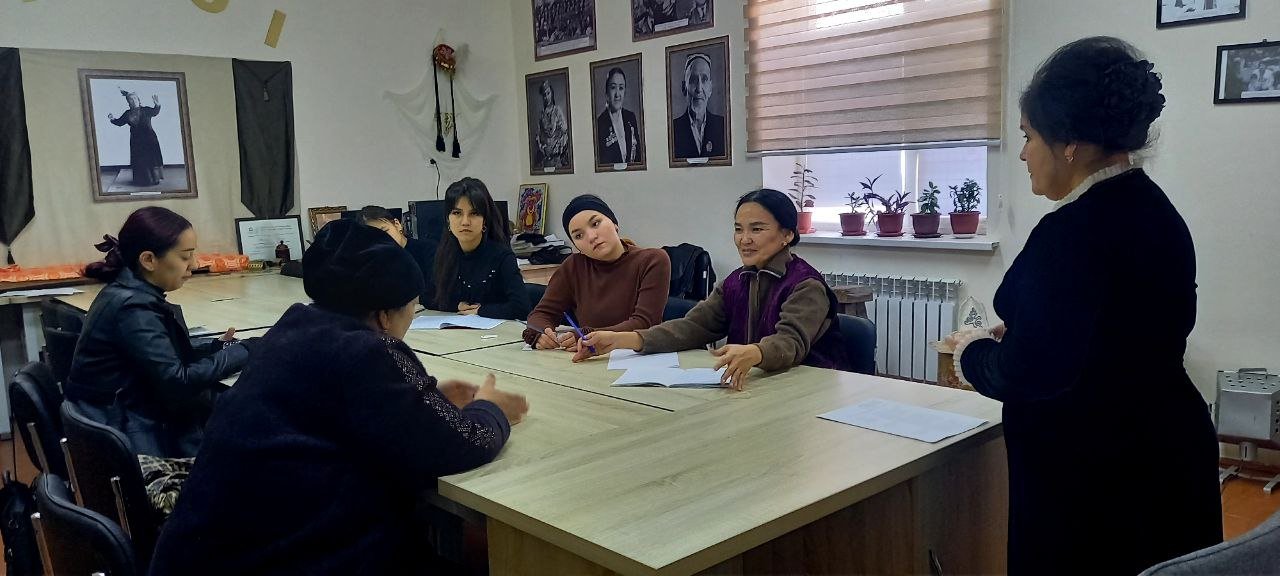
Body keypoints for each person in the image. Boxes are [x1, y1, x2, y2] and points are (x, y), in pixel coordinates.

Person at [944, 37, 1222, 574]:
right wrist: (1027, 328)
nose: (1023, 154)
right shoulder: (1156, 209)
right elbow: (1114, 328)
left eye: (1028, 136)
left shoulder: (1072, 232)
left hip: (1094, 472)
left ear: (1068, 142)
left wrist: (970, 351)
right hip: (1169, 443)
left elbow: (1030, 373)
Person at [149, 220, 529, 575]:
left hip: (211, 551)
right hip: (286, 558)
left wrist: (424, 400)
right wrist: (490, 407)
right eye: (412, 307)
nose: (412, 317)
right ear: (384, 315)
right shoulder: (366, 352)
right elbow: (462, 444)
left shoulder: (296, 326)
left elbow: (346, 410)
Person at [573, 189, 849, 389]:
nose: (744, 239)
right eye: (738, 229)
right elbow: (692, 327)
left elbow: (790, 343)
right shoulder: (737, 281)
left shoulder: (805, 285)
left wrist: (756, 352)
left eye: (757, 229)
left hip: (807, 391)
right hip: (756, 387)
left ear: (787, 234)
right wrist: (621, 340)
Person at [67, 207, 249, 458]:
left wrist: (217, 347)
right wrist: (246, 350)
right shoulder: (133, 307)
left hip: (115, 418)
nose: (195, 264)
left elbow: (161, 358)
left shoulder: (127, 292)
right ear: (149, 260)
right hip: (128, 434)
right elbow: (178, 382)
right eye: (185, 257)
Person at [523, 194, 670, 350]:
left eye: (595, 223)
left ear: (614, 223)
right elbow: (541, 314)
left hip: (635, 356)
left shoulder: (652, 260)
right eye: (579, 236)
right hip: (588, 357)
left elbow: (645, 324)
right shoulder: (574, 266)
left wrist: (587, 335)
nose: (592, 237)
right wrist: (541, 333)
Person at [430, 178, 530, 320]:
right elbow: (428, 297)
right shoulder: (443, 253)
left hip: (498, 331)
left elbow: (521, 308)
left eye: (474, 213)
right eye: (457, 213)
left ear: (485, 220)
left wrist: (480, 311)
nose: (465, 222)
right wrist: (456, 306)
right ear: (448, 219)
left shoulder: (502, 257)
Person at [360, 205, 437, 307]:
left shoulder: (429, 249)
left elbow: (436, 292)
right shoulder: (376, 262)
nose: (384, 239)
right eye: (376, 237)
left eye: (385, 231)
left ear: (397, 224)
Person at [672, 53, 726, 160]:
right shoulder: (672, 130)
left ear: (710, 88)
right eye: (693, 80)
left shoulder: (723, 126)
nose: (699, 89)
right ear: (684, 88)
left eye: (704, 79)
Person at [108, 90, 165, 186]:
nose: (133, 100)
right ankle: (142, 180)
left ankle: (155, 179)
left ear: (138, 99)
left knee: (151, 159)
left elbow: (155, 112)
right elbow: (119, 122)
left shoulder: (145, 110)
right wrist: (112, 119)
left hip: (149, 139)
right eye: (130, 99)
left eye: (134, 98)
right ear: (128, 102)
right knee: (139, 160)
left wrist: (157, 105)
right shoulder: (127, 113)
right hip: (136, 142)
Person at [595, 67, 643, 165]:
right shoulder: (599, 125)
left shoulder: (631, 118)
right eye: (613, 87)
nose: (617, 94)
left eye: (621, 88)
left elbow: (639, 157)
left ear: (624, 91)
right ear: (607, 92)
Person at [535, 80, 569, 168]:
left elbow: (565, 131)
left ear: (552, 93)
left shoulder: (557, 110)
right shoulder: (541, 114)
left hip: (557, 155)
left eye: (548, 93)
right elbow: (537, 135)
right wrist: (542, 148)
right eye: (544, 95)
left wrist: (559, 146)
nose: (546, 97)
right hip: (546, 156)